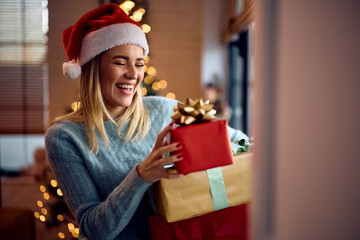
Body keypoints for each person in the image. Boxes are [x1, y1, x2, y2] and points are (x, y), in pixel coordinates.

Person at [45, 3, 248, 240]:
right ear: (93, 67)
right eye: (120, 62)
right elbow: (92, 229)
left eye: (139, 63)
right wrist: (141, 176)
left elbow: (237, 140)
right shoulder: (65, 136)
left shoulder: (164, 109)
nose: (133, 74)